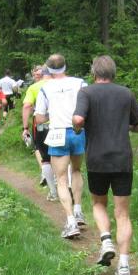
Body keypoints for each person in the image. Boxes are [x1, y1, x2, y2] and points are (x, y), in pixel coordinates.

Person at [72, 55, 138, 275]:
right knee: (123, 213)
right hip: (122, 159)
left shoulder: (86, 93)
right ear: (113, 73)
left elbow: (78, 119)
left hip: (97, 158)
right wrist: (126, 127)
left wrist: (78, 128)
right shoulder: (126, 93)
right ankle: (124, 266)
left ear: (94, 72)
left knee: (98, 203)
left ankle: (106, 240)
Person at [34, 53, 88, 239]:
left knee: (61, 178)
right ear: (66, 66)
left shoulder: (45, 88)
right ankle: (79, 210)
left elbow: (39, 118)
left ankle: (71, 221)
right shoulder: (80, 83)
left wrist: (53, 113)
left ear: (48, 69)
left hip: (58, 133)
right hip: (78, 131)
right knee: (77, 170)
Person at [22, 65, 58, 201]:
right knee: (62, 154)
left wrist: (25, 127)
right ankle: (66, 185)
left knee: (45, 158)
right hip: (60, 123)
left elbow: (27, 106)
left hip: (41, 125)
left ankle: (53, 191)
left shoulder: (34, 87)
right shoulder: (60, 84)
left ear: (41, 74)